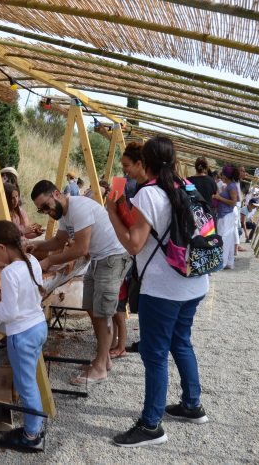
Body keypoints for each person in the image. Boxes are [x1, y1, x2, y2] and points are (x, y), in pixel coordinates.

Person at [106, 136, 209, 448]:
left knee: (154, 353)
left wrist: (111, 211)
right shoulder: (183, 186)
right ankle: (192, 405)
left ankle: (151, 425)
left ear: (145, 162)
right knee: (181, 341)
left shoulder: (150, 193)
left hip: (164, 288)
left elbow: (134, 244)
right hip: (194, 281)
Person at [30, 180, 132, 385]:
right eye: (41, 210)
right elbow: (59, 241)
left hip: (112, 257)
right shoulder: (65, 214)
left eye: (46, 206)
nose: (46, 212)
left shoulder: (78, 208)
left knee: (102, 311)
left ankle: (101, 367)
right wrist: (33, 245)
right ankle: (103, 360)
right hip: (99, 258)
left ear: (56, 194)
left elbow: (80, 249)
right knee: (92, 309)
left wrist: (48, 261)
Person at [0, 221, 47, 451]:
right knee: (29, 382)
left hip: (22, 334)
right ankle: (34, 427)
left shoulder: (9, 271)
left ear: (2, 246)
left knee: (25, 384)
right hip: (38, 326)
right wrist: (1, 295)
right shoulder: (33, 261)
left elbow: (9, 313)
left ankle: (32, 436)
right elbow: (29, 293)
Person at [111, 142, 148, 358]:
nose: (124, 169)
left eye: (126, 165)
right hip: (133, 250)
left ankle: (122, 342)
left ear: (139, 163)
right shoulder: (129, 184)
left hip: (131, 248)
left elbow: (130, 229)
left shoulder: (142, 189)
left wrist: (114, 211)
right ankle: (123, 340)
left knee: (123, 298)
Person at [212, 165, 241, 270]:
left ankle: (222, 263)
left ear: (225, 175)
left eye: (222, 173)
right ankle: (228, 262)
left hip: (226, 215)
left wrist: (219, 198)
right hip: (226, 214)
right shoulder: (230, 185)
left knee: (223, 238)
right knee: (228, 239)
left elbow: (233, 202)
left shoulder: (231, 186)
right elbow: (236, 199)